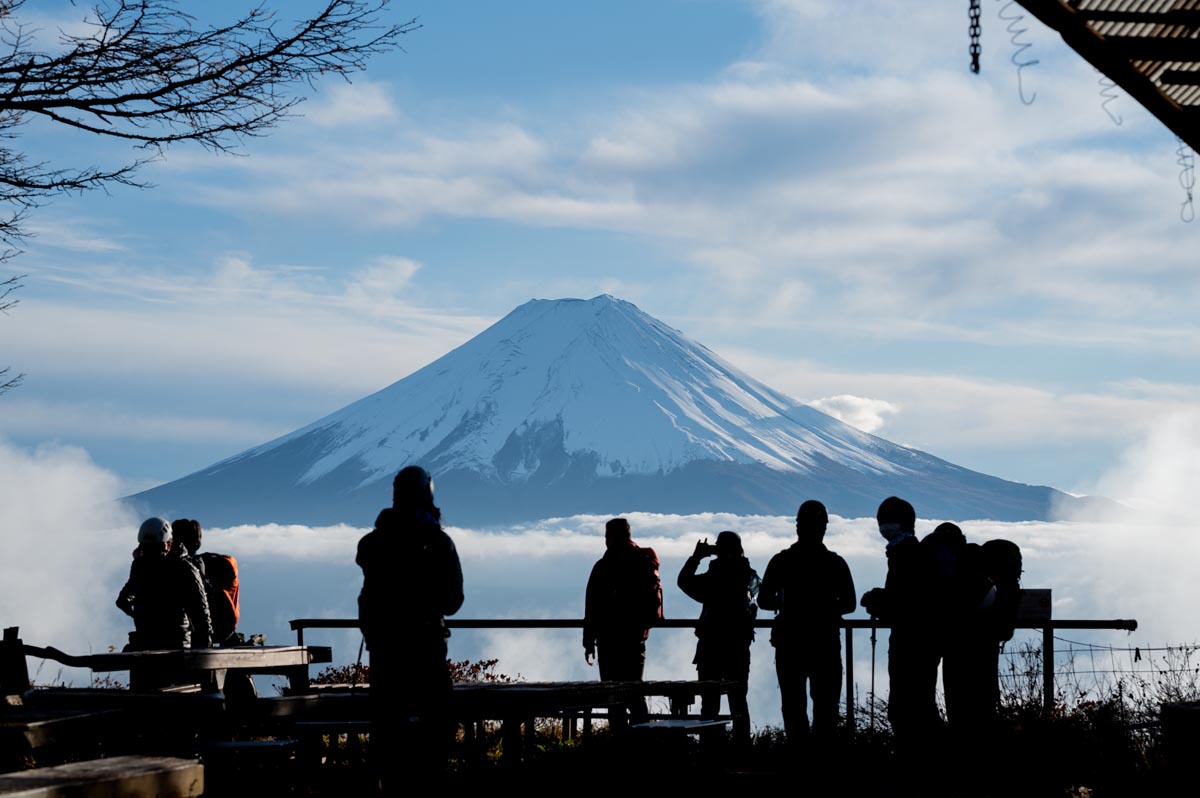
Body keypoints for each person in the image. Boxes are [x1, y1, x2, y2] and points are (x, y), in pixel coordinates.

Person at [356, 465, 463, 779]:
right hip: (427, 648)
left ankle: (389, 784)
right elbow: (453, 601)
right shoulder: (439, 543)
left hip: (386, 652)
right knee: (436, 725)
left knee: (388, 727)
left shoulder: (373, 544)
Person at [758, 500, 856, 741]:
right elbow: (850, 604)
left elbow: (764, 600)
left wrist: (787, 604)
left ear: (798, 527)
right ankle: (822, 766)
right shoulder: (835, 563)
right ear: (823, 528)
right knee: (826, 710)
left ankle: (799, 764)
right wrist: (825, 609)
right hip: (826, 644)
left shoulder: (782, 561)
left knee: (793, 708)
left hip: (790, 643)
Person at [860, 496, 940, 757]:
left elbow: (906, 601)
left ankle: (916, 765)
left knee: (907, 708)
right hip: (924, 643)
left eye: (886, 522)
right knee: (920, 705)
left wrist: (878, 600)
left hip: (911, 643)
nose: (884, 527)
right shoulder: (909, 552)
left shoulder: (905, 554)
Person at [677, 530, 760, 743]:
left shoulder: (713, 577)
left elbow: (684, 582)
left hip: (710, 644)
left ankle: (710, 750)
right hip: (738, 645)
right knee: (738, 700)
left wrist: (697, 557)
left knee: (710, 701)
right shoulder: (749, 576)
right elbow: (757, 589)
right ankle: (742, 750)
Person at [583, 517, 664, 726]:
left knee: (613, 695)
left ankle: (619, 744)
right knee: (635, 693)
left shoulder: (604, 566)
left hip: (608, 639)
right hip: (635, 638)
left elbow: (592, 604)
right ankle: (644, 743)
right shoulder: (644, 560)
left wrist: (588, 640)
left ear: (610, 537)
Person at [116, 517, 212, 652]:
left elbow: (122, 601)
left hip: (147, 644)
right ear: (168, 544)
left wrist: (140, 616)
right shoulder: (184, 567)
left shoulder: (141, 565)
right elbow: (201, 616)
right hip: (178, 647)